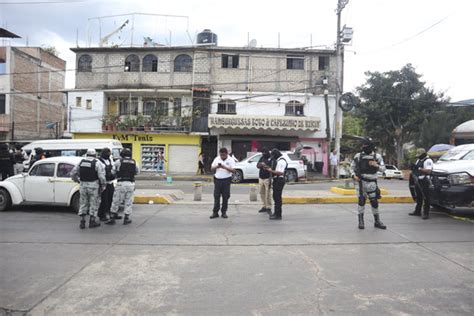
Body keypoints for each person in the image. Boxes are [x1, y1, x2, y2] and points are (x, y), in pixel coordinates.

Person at [351, 139, 387, 230]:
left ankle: (377, 221)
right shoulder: (358, 156)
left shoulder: (377, 156)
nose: (365, 148)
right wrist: (353, 175)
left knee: (374, 202)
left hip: (372, 182)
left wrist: (376, 165)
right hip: (361, 182)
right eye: (364, 147)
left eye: (366, 146)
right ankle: (361, 221)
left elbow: (383, 169)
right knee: (361, 201)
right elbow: (352, 167)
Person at [71, 148, 106, 229]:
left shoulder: (81, 162)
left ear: (87, 154)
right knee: (94, 203)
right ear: (95, 155)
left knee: (83, 203)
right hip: (93, 186)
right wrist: (103, 185)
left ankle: (82, 222)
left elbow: (73, 173)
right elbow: (101, 176)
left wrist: (78, 181)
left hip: (83, 185)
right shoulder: (97, 163)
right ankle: (92, 221)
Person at [105, 148, 138, 225]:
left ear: (122, 154)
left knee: (116, 200)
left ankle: (112, 218)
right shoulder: (134, 162)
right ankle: (126, 218)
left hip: (121, 183)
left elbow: (113, 172)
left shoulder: (118, 161)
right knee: (129, 201)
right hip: (131, 184)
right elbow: (137, 172)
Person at [210, 148, 236, 219]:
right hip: (217, 180)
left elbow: (234, 170)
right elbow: (211, 168)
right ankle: (215, 212)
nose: (222, 156)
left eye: (223, 155)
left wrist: (225, 167)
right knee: (216, 196)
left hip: (226, 180)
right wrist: (217, 166)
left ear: (226, 154)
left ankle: (224, 212)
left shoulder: (231, 160)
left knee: (225, 196)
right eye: (221, 155)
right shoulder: (217, 159)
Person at [409, 148, 433, 219]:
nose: (418, 156)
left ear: (423, 154)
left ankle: (426, 213)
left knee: (426, 197)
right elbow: (416, 169)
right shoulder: (418, 160)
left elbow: (428, 171)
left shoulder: (428, 161)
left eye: (419, 155)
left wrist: (419, 168)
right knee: (419, 197)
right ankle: (417, 211)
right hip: (418, 180)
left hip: (425, 181)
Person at [264, 148, 287, 220]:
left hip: (279, 179)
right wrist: (269, 169)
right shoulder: (279, 161)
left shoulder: (282, 161)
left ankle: (278, 215)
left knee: (277, 198)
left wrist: (271, 170)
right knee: (275, 197)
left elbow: (281, 172)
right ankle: (276, 213)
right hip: (277, 179)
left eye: (273, 156)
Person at [97, 148, 119, 222]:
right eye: (108, 153)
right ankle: (102, 215)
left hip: (110, 182)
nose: (109, 155)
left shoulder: (110, 160)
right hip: (103, 183)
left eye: (109, 153)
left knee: (111, 199)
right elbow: (100, 172)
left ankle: (109, 213)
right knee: (104, 200)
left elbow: (113, 168)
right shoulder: (99, 161)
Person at [257, 148, 272, 214]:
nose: (263, 154)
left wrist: (265, 165)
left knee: (268, 193)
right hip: (261, 178)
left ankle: (269, 207)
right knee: (261, 193)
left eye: (264, 152)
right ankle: (264, 206)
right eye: (262, 152)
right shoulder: (262, 158)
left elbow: (272, 167)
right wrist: (261, 165)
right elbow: (257, 165)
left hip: (267, 178)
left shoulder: (270, 158)